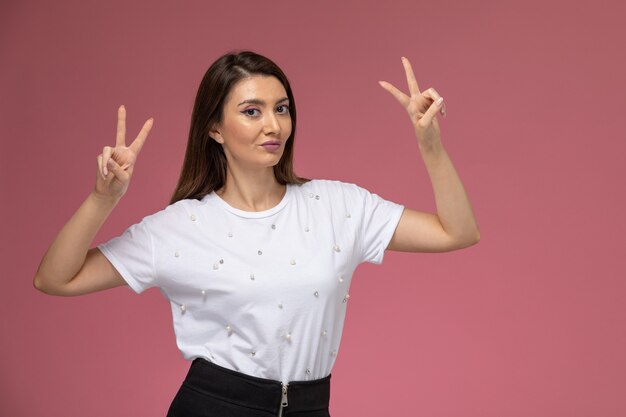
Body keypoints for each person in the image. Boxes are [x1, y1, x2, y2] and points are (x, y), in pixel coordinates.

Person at [34, 50, 480, 416]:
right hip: (214, 406)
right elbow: (55, 278)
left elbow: (456, 232)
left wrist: (432, 147)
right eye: (252, 111)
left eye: (281, 109)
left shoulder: (338, 206)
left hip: (311, 406)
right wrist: (103, 198)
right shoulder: (179, 227)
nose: (274, 125)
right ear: (214, 128)